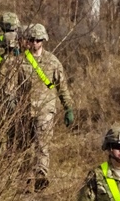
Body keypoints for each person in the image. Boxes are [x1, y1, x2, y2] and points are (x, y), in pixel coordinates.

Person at [13, 23, 75, 189]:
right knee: (23, 144)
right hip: (24, 109)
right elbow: (12, 85)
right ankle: (24, 178)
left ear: (43, 41)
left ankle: (41, 175)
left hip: (45, 109)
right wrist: (11, 102)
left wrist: (68, 108)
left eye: (38, 40)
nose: (35, 43)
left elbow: (62, 87)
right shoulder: (20, 61)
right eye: (32, 40)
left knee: (42, 143)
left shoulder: (52, 62)